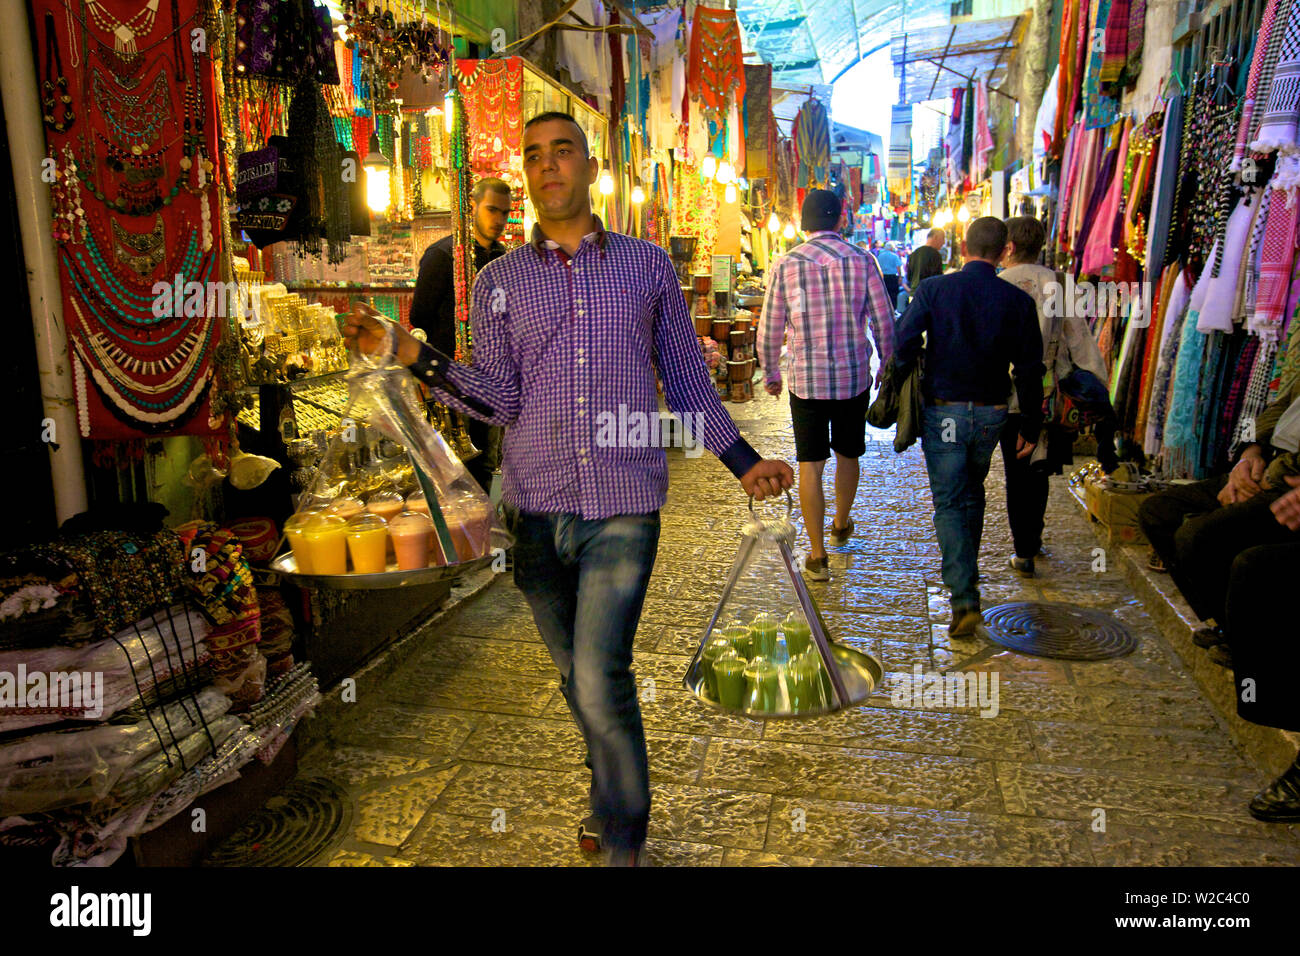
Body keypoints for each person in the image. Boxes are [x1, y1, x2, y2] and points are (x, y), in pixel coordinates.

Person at [343, 111, 793, 866]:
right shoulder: (497, 282)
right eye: (534, 156)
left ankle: (624, 845)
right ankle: (604, 793)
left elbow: (684, 380)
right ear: (525, 175)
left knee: (598, 672)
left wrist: (742, 459)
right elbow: (498, 400)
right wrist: (408, 354)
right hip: (531, 508)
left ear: (590, 168)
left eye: (563, 152)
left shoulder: (648, 268)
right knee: (573, 677)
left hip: (622, 504)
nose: (549, 166)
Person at [892, 217, 1044, 636]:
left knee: (948, 500)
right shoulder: (1017, 301)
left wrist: (904, 371)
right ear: (1004, 251)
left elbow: (903, 340)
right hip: (993, 414)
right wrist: (1031, 423)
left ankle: (963, 596)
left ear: (963, 246)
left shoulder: (935, 289)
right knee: (971, 490)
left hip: (945, 413)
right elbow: (1031, 368)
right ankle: (968, 579)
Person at [758, 189, 894, 581]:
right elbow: (884, 319)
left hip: (807, 381)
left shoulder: (785, 264)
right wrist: (886, 361)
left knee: (810, 463)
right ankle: (840, 523)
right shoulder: (861, 260)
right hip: (852, 377)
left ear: (804, 223)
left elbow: (770, 327)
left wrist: (771, 373)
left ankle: (817, 555)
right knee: (849, 454)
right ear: (839, 221)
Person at [1137, 375, 1300, 662]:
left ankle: (1246, 641)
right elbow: (1277, 408)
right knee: (1159, 512)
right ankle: (1226, 624)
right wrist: (1248, 456)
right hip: (1268, 472)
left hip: (1289, 486)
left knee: (1199, 537)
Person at [997, 215, 1116, 576]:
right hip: (1054, 394)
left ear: (1010, 247)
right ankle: (1033, 537)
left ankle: (1025, 548)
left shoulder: (1000, 283)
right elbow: (1080, 341)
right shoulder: (1061, 283)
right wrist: (1097, 389)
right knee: (1040, 467)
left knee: (1016, 471)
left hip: (1010, 395)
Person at [409, 177, 512, 493]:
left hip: (490, 381)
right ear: (472, 207)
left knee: (489, 461)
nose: (499, 220)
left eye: (504, 213)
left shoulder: (502, 258)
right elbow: (420, 318)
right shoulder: (442, 256)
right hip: (452, 382)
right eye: (492, 210)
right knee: (454, 469)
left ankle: (487, 532)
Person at [873, 241, 903, 311]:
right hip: (892, 277)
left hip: (882, 277)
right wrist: (900, 276)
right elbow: (898, 267)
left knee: (884, 294)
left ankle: (884, 308)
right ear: (892, 248)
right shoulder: (894, 256)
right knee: (893, 294)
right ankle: (893, 309)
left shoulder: (879, 256)